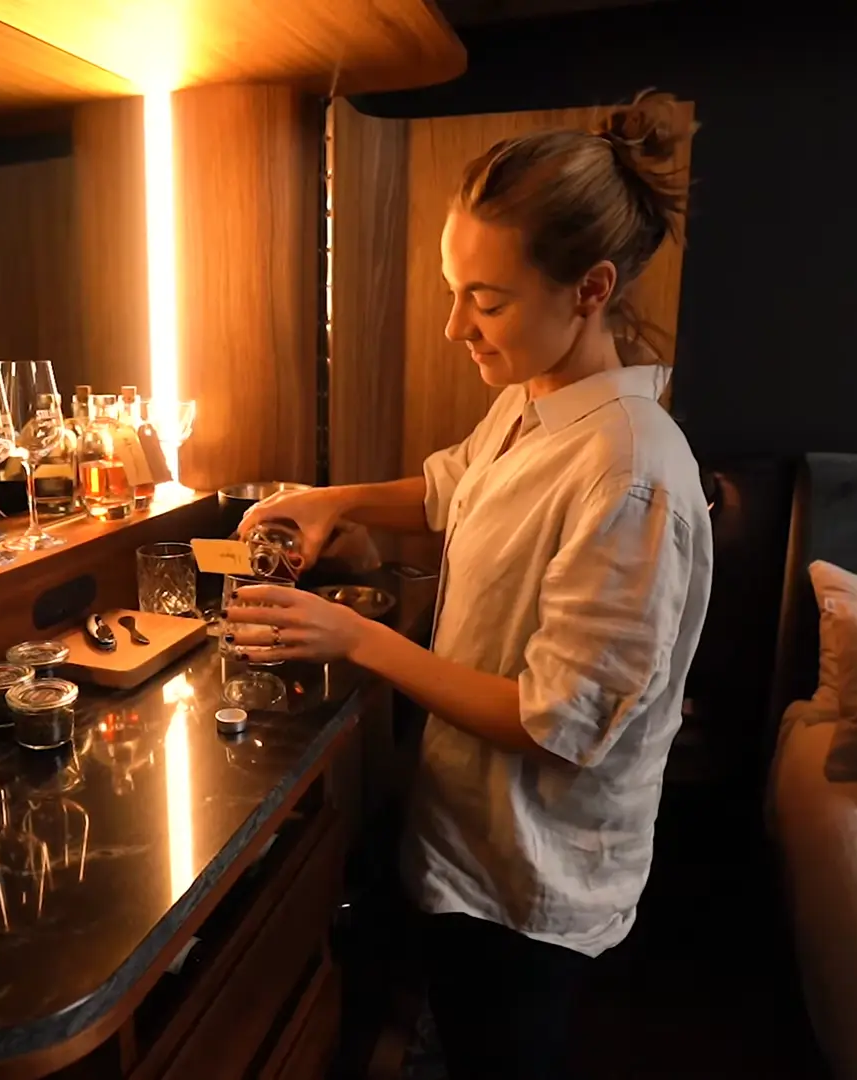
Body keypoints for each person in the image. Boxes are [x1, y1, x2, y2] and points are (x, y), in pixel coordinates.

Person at [227, 91, 712, 1079]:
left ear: (591, 288)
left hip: (531, 884)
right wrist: (334, 498)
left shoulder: (631, 471)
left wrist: (355, 638)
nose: (457, 327)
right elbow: (454, 488)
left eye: (484, 300)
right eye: (454, 291)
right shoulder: (536, 402)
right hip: (465, 841)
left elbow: (555, 721)